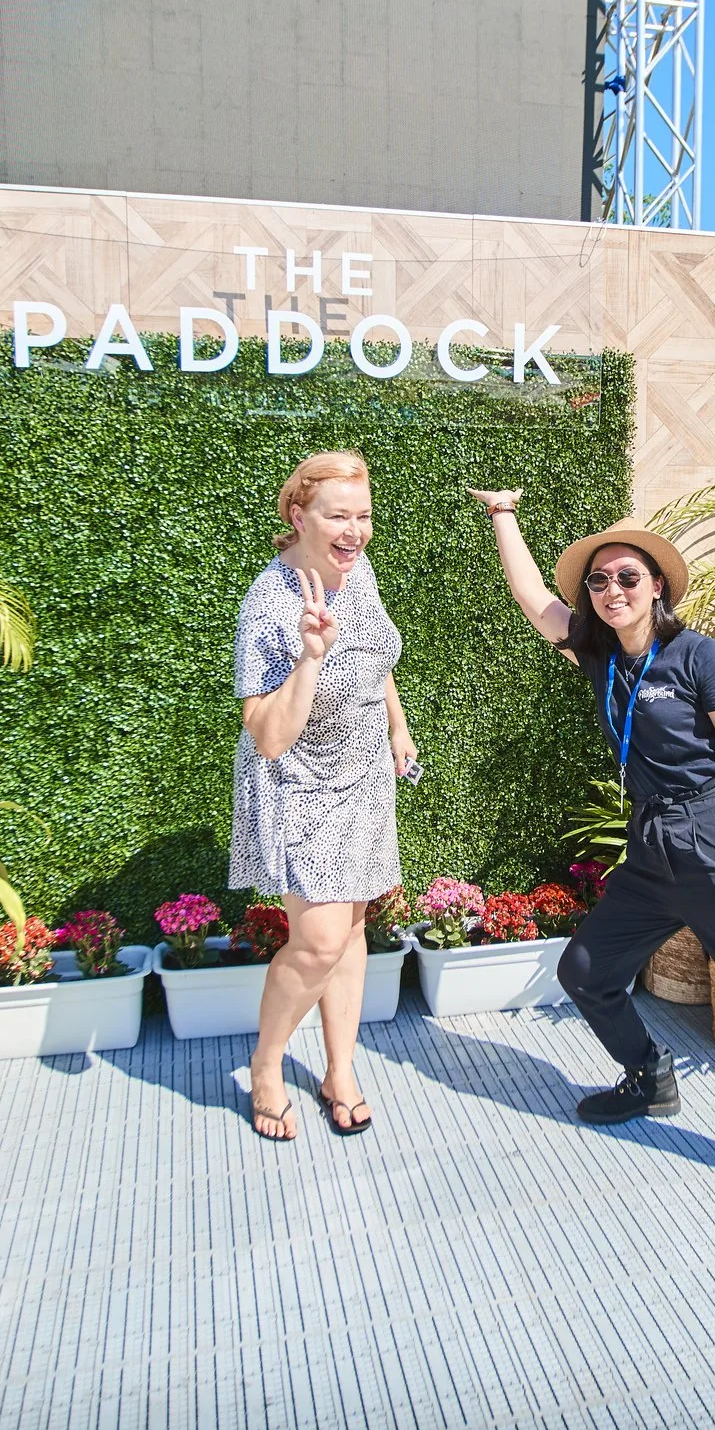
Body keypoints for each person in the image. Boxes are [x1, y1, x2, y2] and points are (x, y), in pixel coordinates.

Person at [467, 489, 715, 1234]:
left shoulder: (699, 657)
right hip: (654, 849)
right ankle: (648, 1077)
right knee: (588, 972)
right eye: (599, 582)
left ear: (657, 585)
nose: (612, 591)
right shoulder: (600, 657)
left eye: (627, 577)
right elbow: (534, 598)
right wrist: (504, 515)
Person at [233, 451, 417, 1142]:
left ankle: (340, 1068)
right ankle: (268, 1065)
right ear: (298, 516)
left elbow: (376, 655)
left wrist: (397, 725)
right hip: (300, 783)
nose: (355, 530)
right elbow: (269, 738)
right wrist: (310, 657)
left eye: (363, 515)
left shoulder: (356, 570)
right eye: (339, 515)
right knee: (316, 939)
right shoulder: (270, 602)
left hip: (365, 774)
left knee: (353, 926)